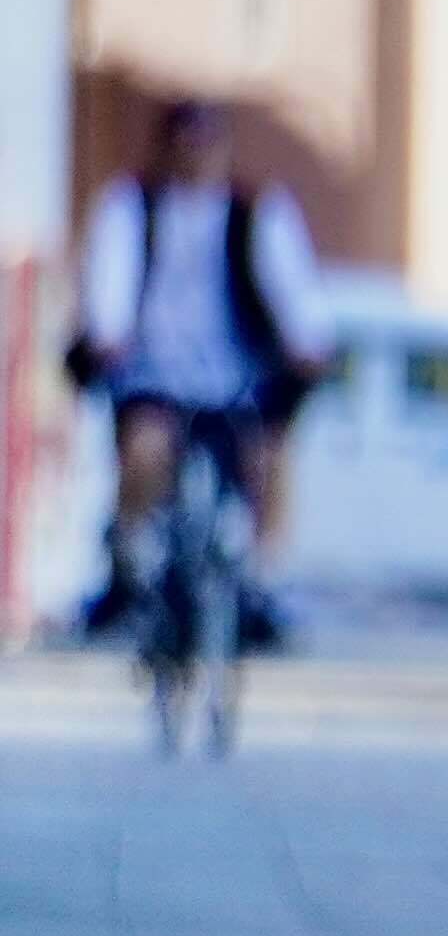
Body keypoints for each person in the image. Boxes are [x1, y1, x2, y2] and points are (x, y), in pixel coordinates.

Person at [72, 97, 333, 645]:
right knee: (145, 452)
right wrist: (108, 335)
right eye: (187, 145)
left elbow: (292, 290)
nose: (197, 158)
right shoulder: (132, 208)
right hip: (152, 374)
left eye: (207, 145)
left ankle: (260, 584)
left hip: (235, 378)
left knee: (267, 459)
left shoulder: (255, 211)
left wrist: (305, 345)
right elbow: (109, 285)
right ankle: (127, 568)